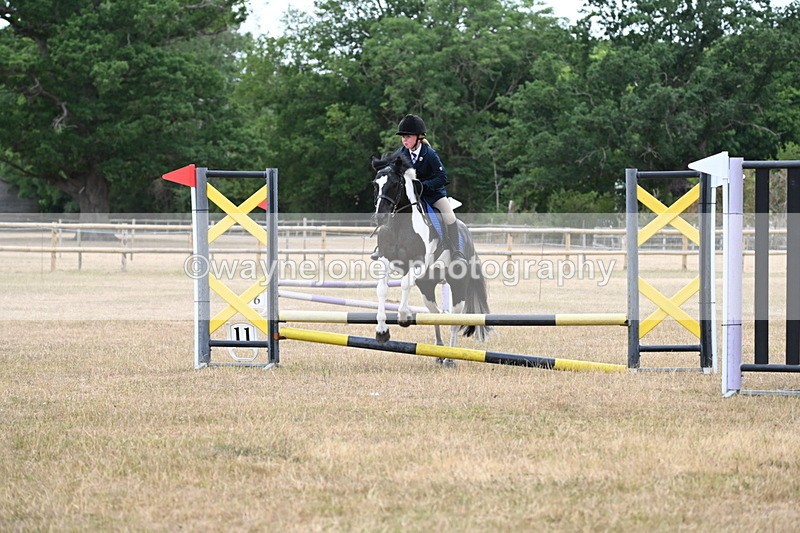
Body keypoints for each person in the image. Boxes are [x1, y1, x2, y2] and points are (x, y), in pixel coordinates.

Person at [372, 114, 466, 262]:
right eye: (403, 137)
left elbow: (442, 178)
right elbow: (392, 173)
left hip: (433, 195)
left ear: (419, 137)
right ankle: (383, 247)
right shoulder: (401, 153)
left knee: (450, 216)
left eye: (408, 137)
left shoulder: (429, 154)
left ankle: (456, 252)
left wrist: (424, 185)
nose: (404, 140)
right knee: (392, 212)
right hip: (411, 196)